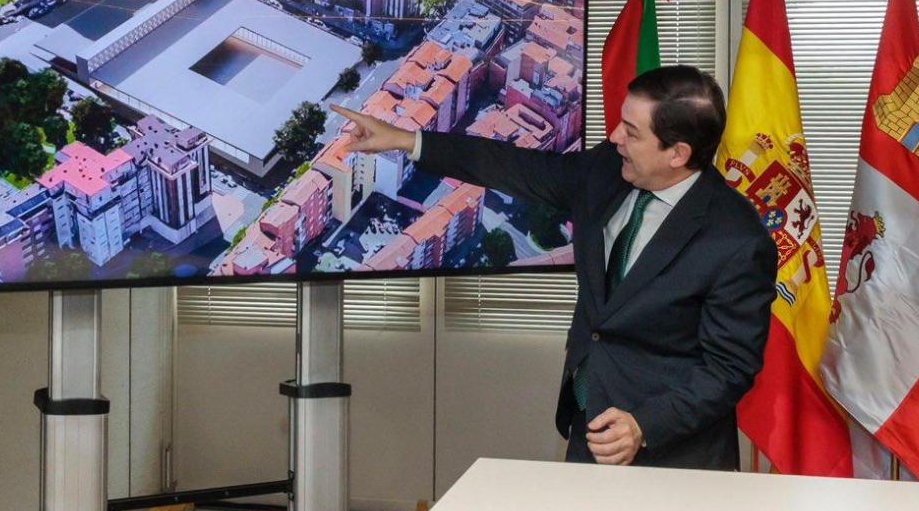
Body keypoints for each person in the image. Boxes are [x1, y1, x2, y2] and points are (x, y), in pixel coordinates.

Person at [333, 65, 777, 470]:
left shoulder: (736, 240)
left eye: (632, 132)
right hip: (591, 424)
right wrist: (407, 140)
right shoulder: (605, 171)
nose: (615, 138)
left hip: (675, 452)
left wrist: (644, 424)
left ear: (677, 153)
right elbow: (513, 166)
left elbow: (729, 368)